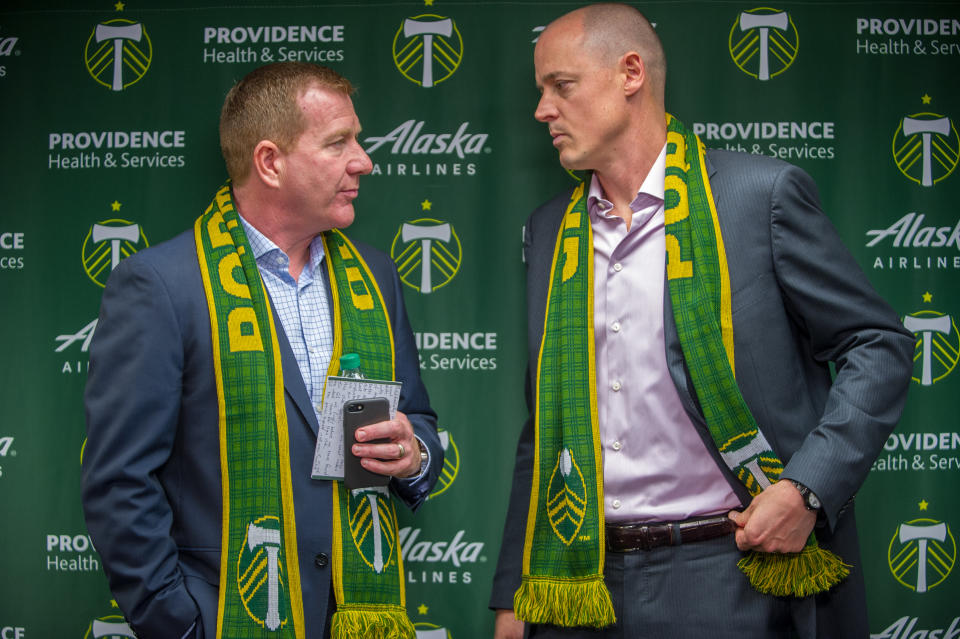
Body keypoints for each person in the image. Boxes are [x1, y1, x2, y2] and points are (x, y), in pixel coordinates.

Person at [490, 4, 914, 638]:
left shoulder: (757, 195)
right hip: (576, 583)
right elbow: (545, 428)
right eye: (541, 91)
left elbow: (877, 345)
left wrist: (806, 489)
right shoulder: (551, 229)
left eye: (561, 85)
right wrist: (513, 594)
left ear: (630, 73)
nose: (542, 110)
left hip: (731, 572)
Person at [82, 62, 442, 639]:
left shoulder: (373, 273)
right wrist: (180, 623)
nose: (364, 161)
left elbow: (419, 419)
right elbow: (120, 482)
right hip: (231, 615)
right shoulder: (162, 285)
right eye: (338, 143)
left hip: (362, 616)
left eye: (359, 139)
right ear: (270, 162)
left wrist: (414, 454)